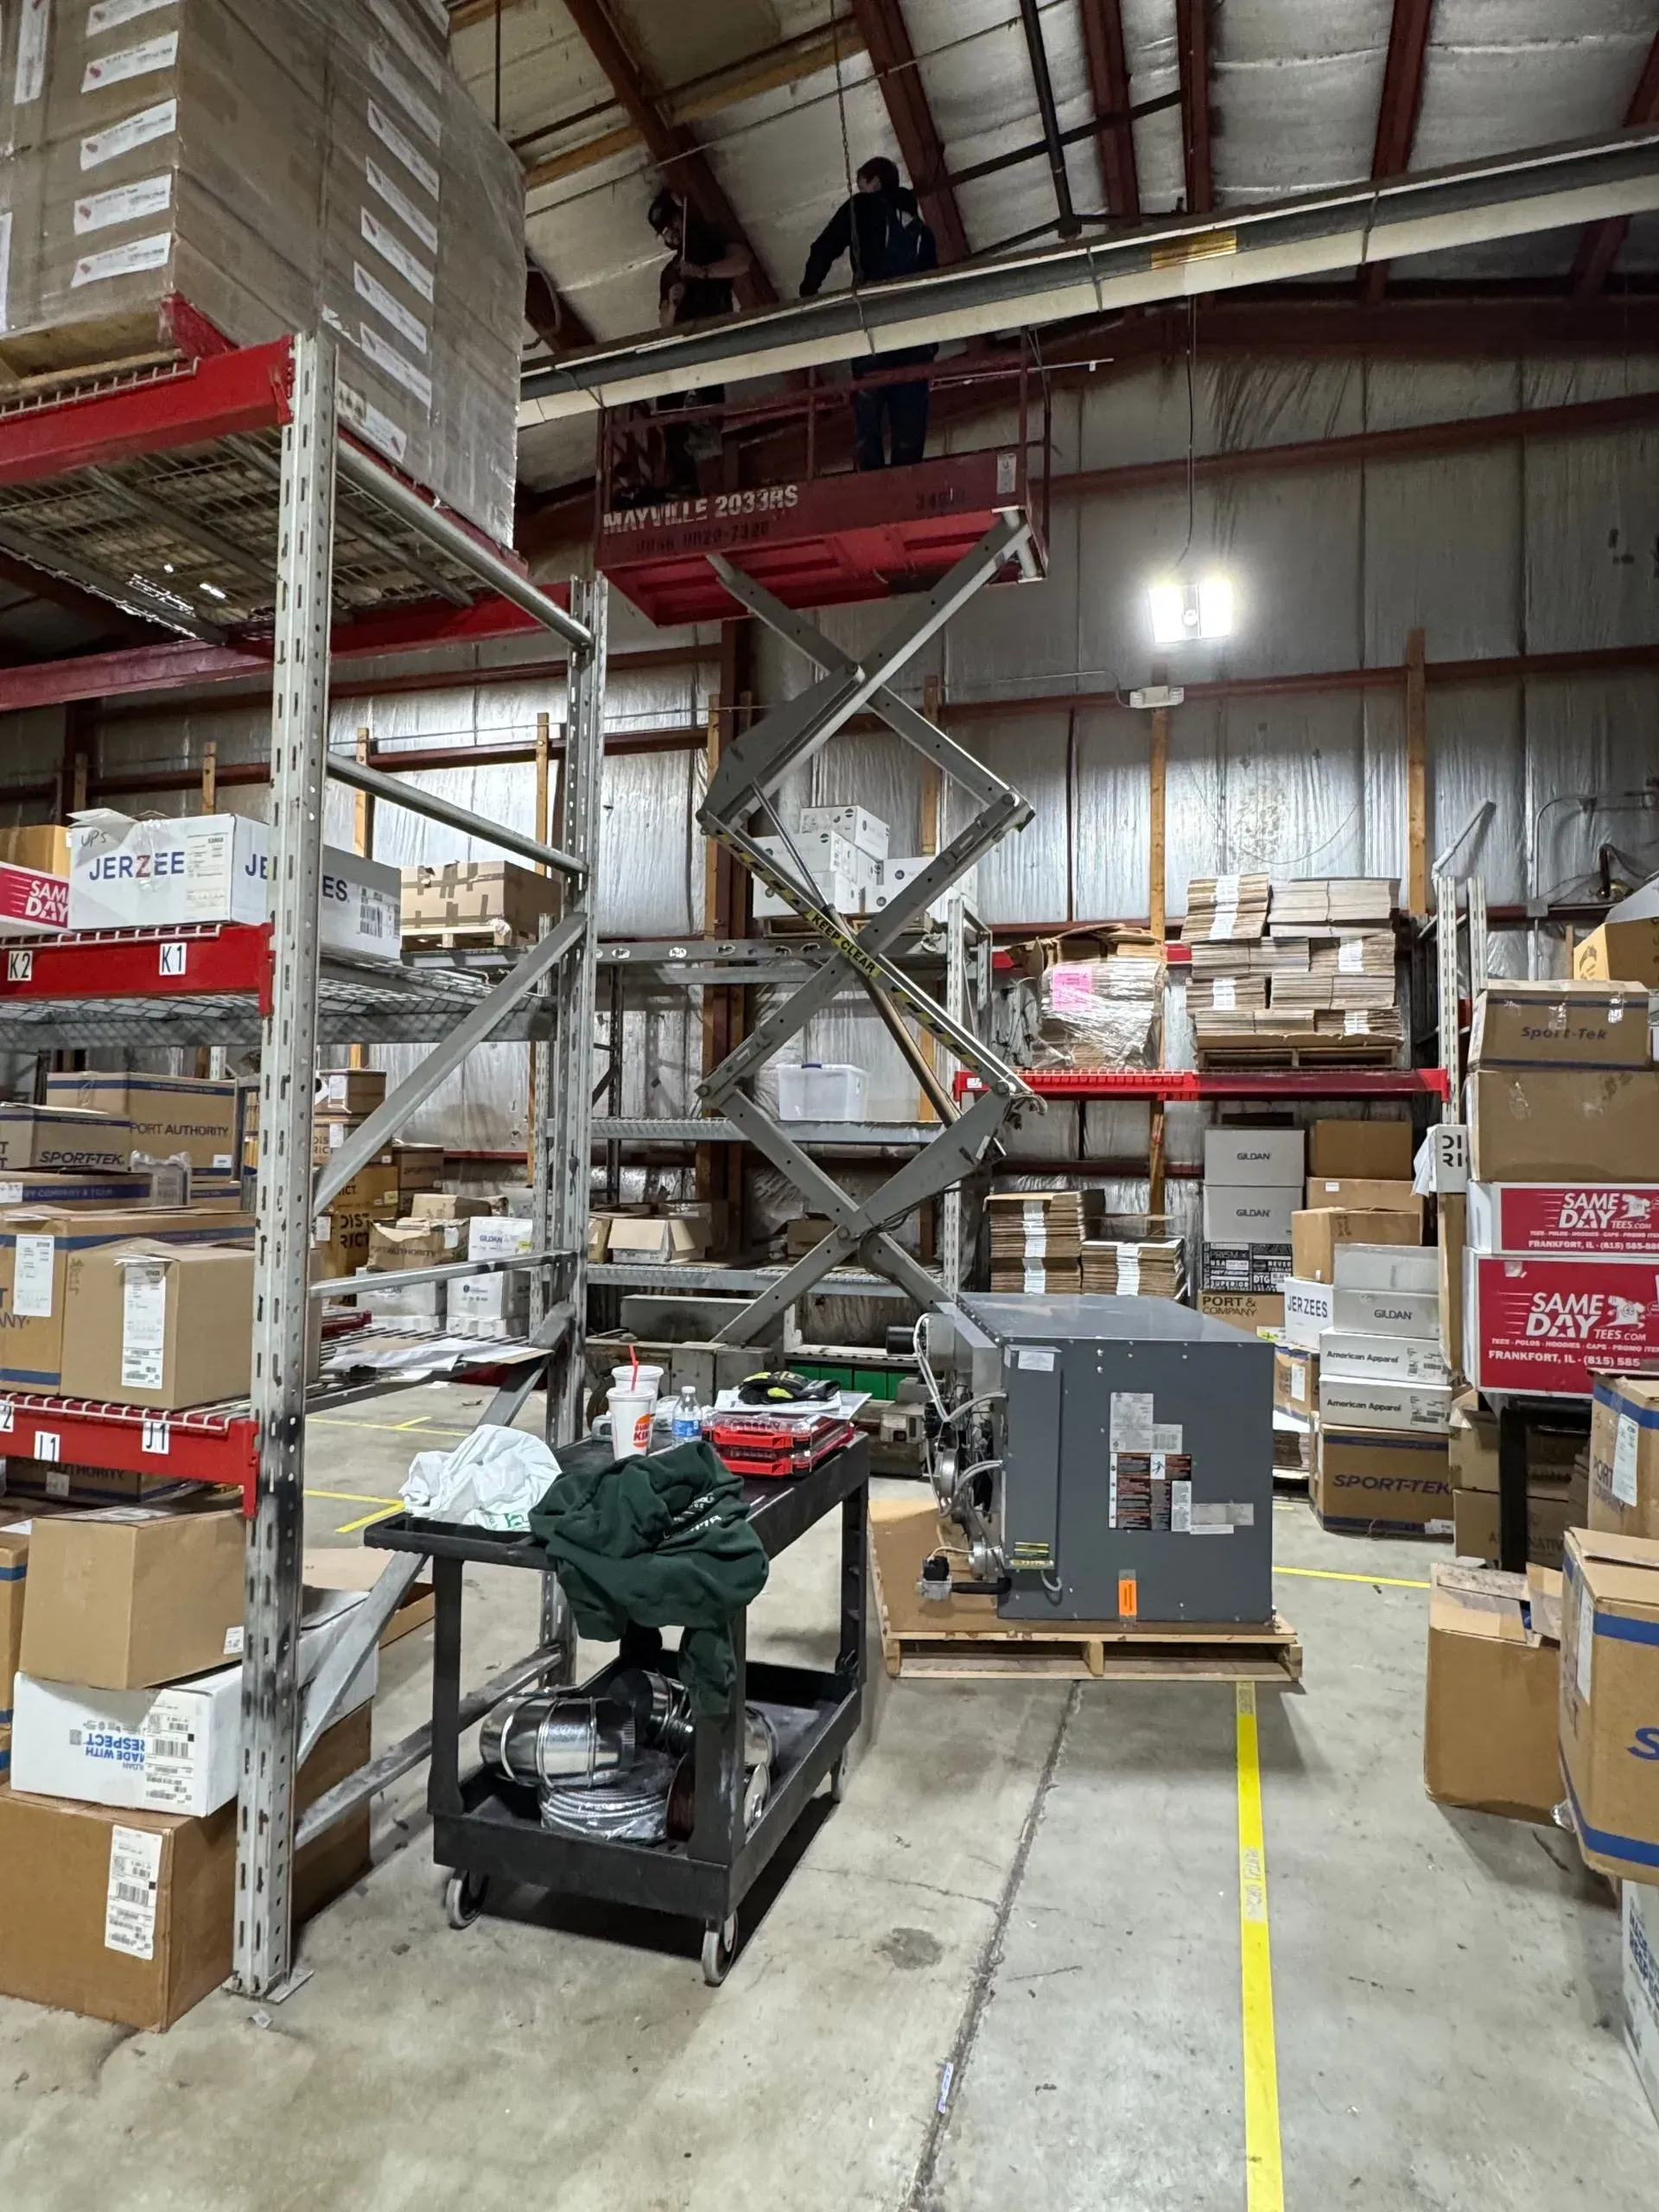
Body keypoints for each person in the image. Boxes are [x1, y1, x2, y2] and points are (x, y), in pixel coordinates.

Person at [800, 158, 938, 471]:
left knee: (868, 416)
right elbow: (935, 298)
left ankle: (869, 480)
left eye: (862, 183)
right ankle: (906, 483)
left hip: (872, 331)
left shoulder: (862, 207)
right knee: (909, 424)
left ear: (874, 182)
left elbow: (823, 248)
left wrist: (806, 296)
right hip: (915, 341)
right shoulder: (922, 233)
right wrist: (932, 351)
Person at [646, 188, 751, 497]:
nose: (671, 234)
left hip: (710, 335)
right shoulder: (670, 271)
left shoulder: (710, 242)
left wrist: (705, 272)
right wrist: (673, 304)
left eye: (672, 224)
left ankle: (709, 466)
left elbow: (742, 262)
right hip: (681, 344)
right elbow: (664, 322)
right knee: (668, 409)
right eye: (665, 231)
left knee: (707, 405)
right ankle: (684, 479)